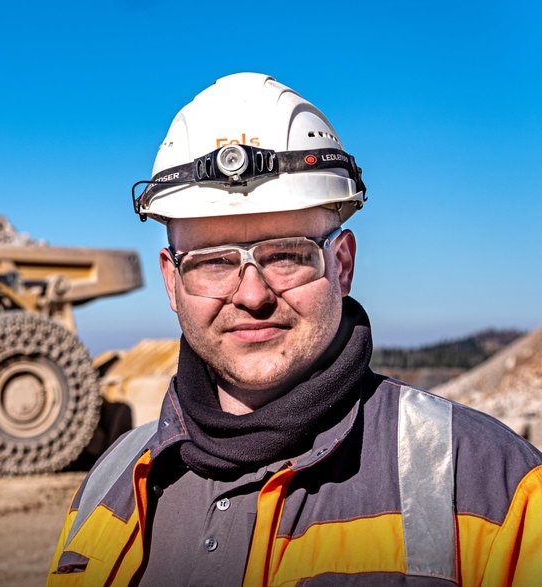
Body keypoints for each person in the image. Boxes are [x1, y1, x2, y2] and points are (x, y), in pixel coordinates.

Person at [47, 73, 542, 586]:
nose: (252, 294)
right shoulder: (109, 486)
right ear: (173, 283)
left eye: (286, 255)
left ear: (342, 264)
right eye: (213, 263)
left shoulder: (493, 486)